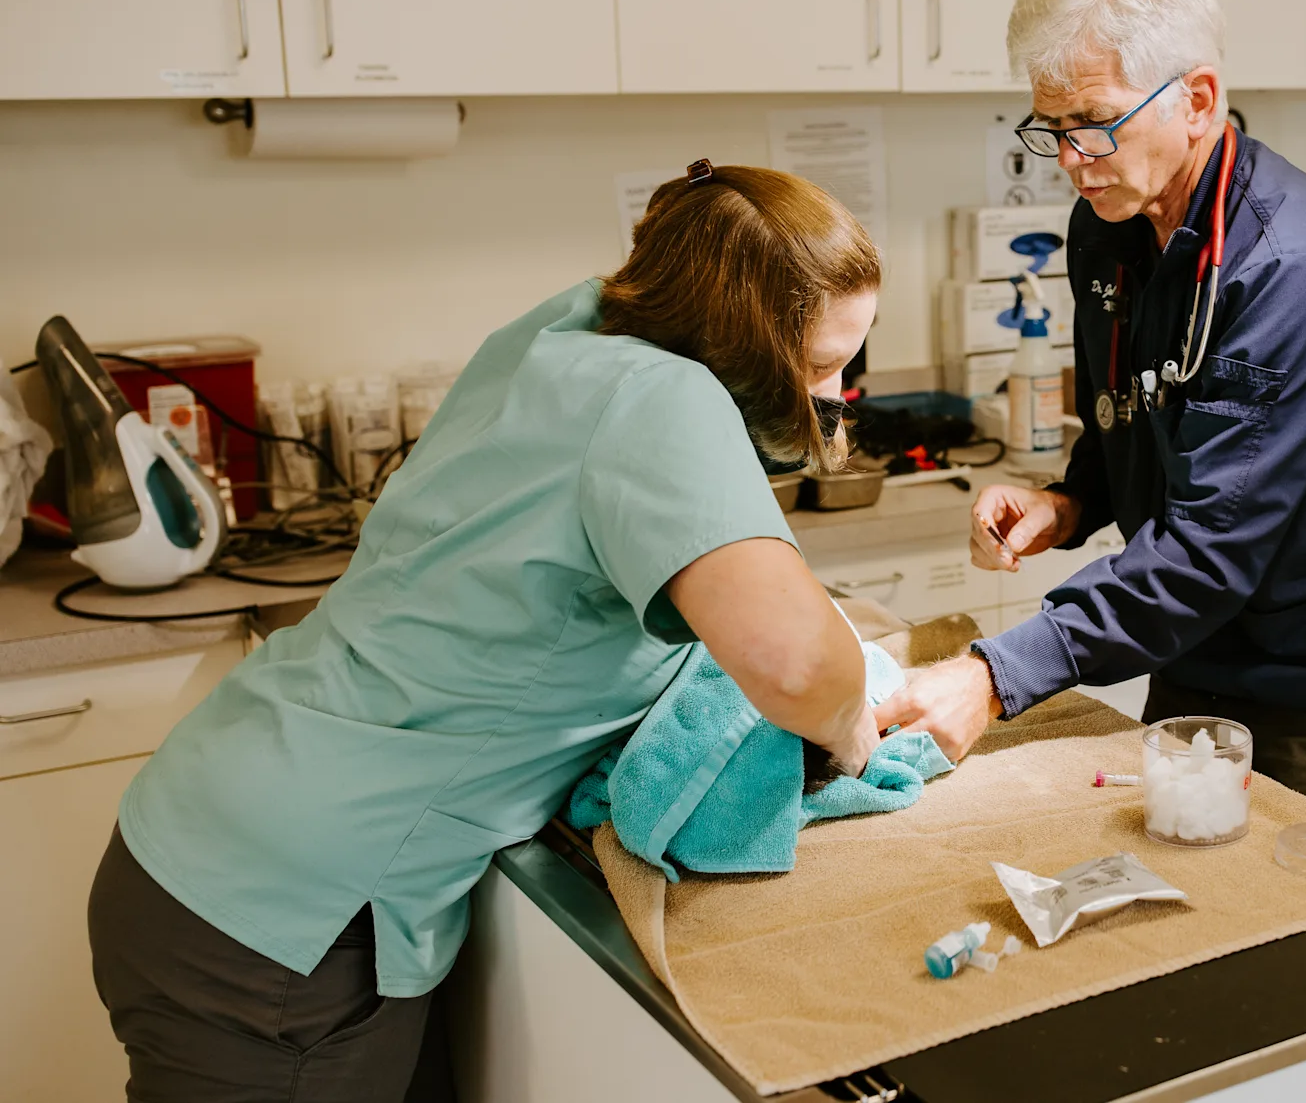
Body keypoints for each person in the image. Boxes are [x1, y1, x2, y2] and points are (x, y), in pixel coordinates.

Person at [87, 163, 885, 1101]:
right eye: (821, 366)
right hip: (279, 923)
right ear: (742, 343)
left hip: (211, 831)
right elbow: (795, 665)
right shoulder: (665, 397)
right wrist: (853, 722)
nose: (840, 395)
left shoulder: (566, 330)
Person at [876, 0, 1306, 843]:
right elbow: (1140, 403)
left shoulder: (1294, 270)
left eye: (1096, 122)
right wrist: (1070, 501)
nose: (1071, 158)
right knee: (1191, 916)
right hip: (1194, 654)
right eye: (1050, 127)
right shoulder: (1109, 222)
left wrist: (995, 676)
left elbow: (1213, 545)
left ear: (1197, 100)